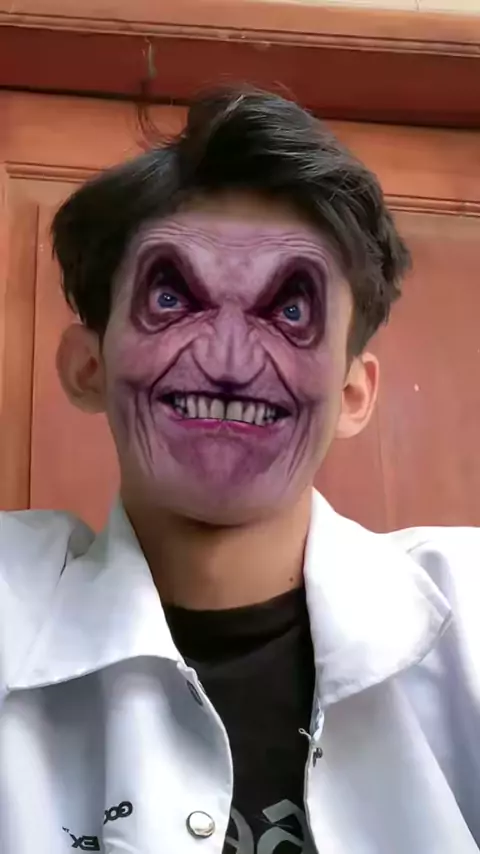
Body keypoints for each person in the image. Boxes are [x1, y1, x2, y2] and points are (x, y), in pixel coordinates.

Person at [0, 87, 479, 854]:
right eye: (171, 298)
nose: (228, 363)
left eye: (290, 312)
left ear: (353, 394)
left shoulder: (469, 621)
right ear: (88, 367)